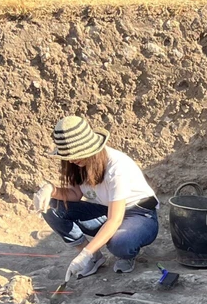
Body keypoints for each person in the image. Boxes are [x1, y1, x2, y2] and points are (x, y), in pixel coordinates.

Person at [32, 115, 159, 280]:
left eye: (76, 154)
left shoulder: (116, 168)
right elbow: (75, 195)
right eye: (68, 155)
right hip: (105, 209)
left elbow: (115, 220)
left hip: (139, 213)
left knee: (119, 243)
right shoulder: (76, 164)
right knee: (52, 207)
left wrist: (84, 254)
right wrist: (50, 189)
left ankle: (126, 255)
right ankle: (95, 259)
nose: (71, 159)